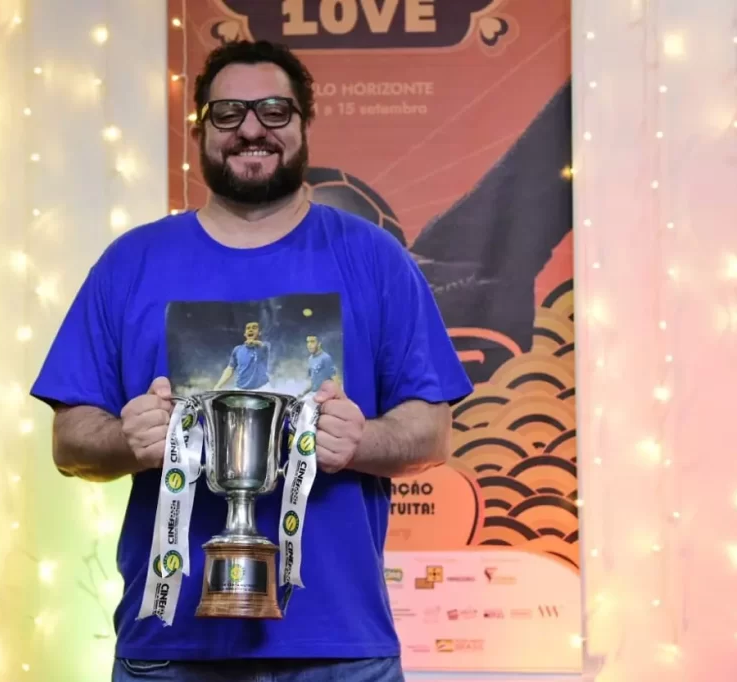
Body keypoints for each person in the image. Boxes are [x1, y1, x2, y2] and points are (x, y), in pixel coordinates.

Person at [30, 39, 473, 682]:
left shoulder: (376, 260)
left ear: (302, 124)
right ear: (201, 129)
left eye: (274, 111)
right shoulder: (132, 263)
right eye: (228, 113)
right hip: (168, 645)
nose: (252, 130)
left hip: (341, 650)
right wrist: (126, 440)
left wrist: (363, 440)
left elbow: (431, 432)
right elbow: (70, 442)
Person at [213, 320, 272, 390]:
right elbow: (230, 369)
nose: (251, 330)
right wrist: (218, 385)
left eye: (254, 328)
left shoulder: (264, 346)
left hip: (262, 387)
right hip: (241, 388)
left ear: (259, 333)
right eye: (248, 328)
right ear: (245, 334)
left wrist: (253, 342)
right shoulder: (237, 350)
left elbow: (262, 345)